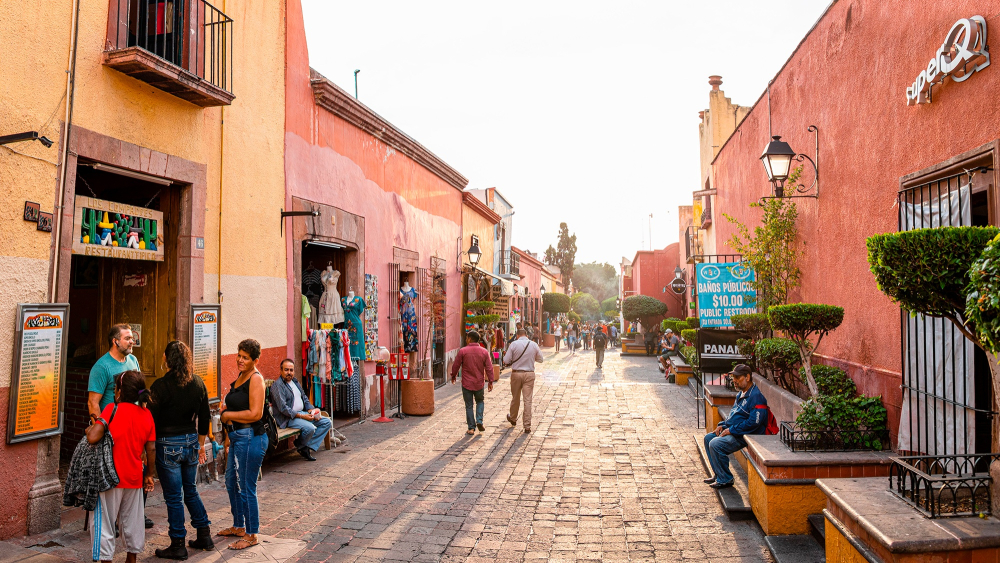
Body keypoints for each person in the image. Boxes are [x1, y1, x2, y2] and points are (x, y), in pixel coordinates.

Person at [149, 341, 214, 559]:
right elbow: (205, 417)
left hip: (168, 443)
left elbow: (151, 420)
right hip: (191, 441)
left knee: (174, 497)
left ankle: (178, 544)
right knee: (191, 490)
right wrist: (200, 444)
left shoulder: (159, 386)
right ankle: (204, 534)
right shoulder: (197, 383)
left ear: (166, 359)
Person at [87, 323, 154, 529]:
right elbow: (93, 403)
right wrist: (103, 431)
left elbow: (141, 392)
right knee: (114, 473)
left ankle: (135, 515)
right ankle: (112, 520)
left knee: (139, 468)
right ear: (115, 341)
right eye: (127, 338)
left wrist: (144, 411)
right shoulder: (102, 366)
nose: (132, 341)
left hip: (135, 427)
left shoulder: (132, 360)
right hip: (114, 428)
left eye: (132, 337)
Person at [87, 370, 155, 563]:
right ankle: (131, 558)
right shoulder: (146, 414)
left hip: (109, 477)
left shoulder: (111, 409)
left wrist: (91, 425)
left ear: (119, 391)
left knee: (105, 521)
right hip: (134, 476)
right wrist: (149, 474)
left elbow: (93, 437)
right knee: (132, 520)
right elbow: (151, 449)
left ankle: (106, 559)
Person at [218, 339, 268, 550]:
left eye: (245, 358)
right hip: (237, 437)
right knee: (231, 482)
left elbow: (256, 414)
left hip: (251, 437)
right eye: (239, 355)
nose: (240, 360)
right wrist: (229, 436)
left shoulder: (256, 379)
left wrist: (228, 415)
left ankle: (251, 534)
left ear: (255, 360)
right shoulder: (242, 376)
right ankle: (239, 525)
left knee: (246, 487)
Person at [703, 365, 768, 489]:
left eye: (737, 377)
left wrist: (731, 430)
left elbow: (755, 423)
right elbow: (734, 415)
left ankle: (726, 479)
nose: (734, 380)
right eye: (733, 377)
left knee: (716, 444)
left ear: (747, 377)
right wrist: (723, 425)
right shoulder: (741, 394)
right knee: (708, 439)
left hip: (746, 434)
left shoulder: (756, 397)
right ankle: (719, 474)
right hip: (735, 431)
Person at [271, 359, 333, 461]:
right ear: (281, 370)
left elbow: (304, 398)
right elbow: (283, 408)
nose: (289, 373)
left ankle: (304, 445)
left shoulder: (295, 381)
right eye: (286, 370)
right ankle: (302, 446)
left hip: (302, 414)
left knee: (326, 422)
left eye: (291, 370)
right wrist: (301, 416)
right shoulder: (278, 386)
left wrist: (311, 410)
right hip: (288, 418)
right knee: (310, 428)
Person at [450, 331, 495, 435]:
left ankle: (471, 428)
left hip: (467, 383)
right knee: (480, 401)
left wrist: (453, 376)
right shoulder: (484, 352)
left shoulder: (463, 351)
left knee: (469, 405)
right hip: (479, 383)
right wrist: (490, 381)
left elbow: (456, 365)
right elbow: (489, 367)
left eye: (467, 338)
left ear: (469, 339)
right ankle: (479, 421)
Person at [503, 329, 543, 434]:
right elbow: (541, 359)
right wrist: (531, 358)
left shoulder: (513, 344)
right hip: (529, 373)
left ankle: (513, 418)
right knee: (528, 400)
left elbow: (506, 360)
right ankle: (527, 426)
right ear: (526, 335)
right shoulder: (533, 345)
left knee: (515, 398)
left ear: (517, 335)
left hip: (516, 373)